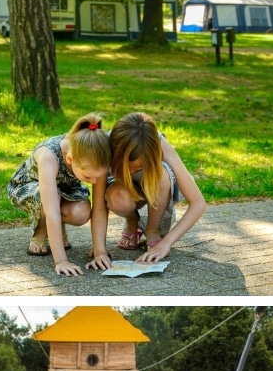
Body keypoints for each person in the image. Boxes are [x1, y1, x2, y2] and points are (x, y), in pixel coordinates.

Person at [87, 112, 207, 270]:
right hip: (123, 192)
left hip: (155, 197)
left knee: (161, 176)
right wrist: (100, 251)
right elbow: (99, 207)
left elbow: (198, 203)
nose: (131, 172)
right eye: (127, 167)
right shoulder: (106, 148)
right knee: (118, 196)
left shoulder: (158, 143)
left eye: (139, 167)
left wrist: (166, 244)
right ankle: (132, 222)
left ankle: (152, 231)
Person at [7, 112, 111, 276]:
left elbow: (99, 207)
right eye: (88, 177)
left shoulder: (98, 157)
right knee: (53, 197)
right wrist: (61, 261)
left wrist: (100, 252)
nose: (95, 182)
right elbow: (52, 211)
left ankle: (57, 230)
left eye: (98, 176)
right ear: (70, 160)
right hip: (30, 188)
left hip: (64, 189)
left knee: (82, 212)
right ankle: (40, 232)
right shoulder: (49, 155)